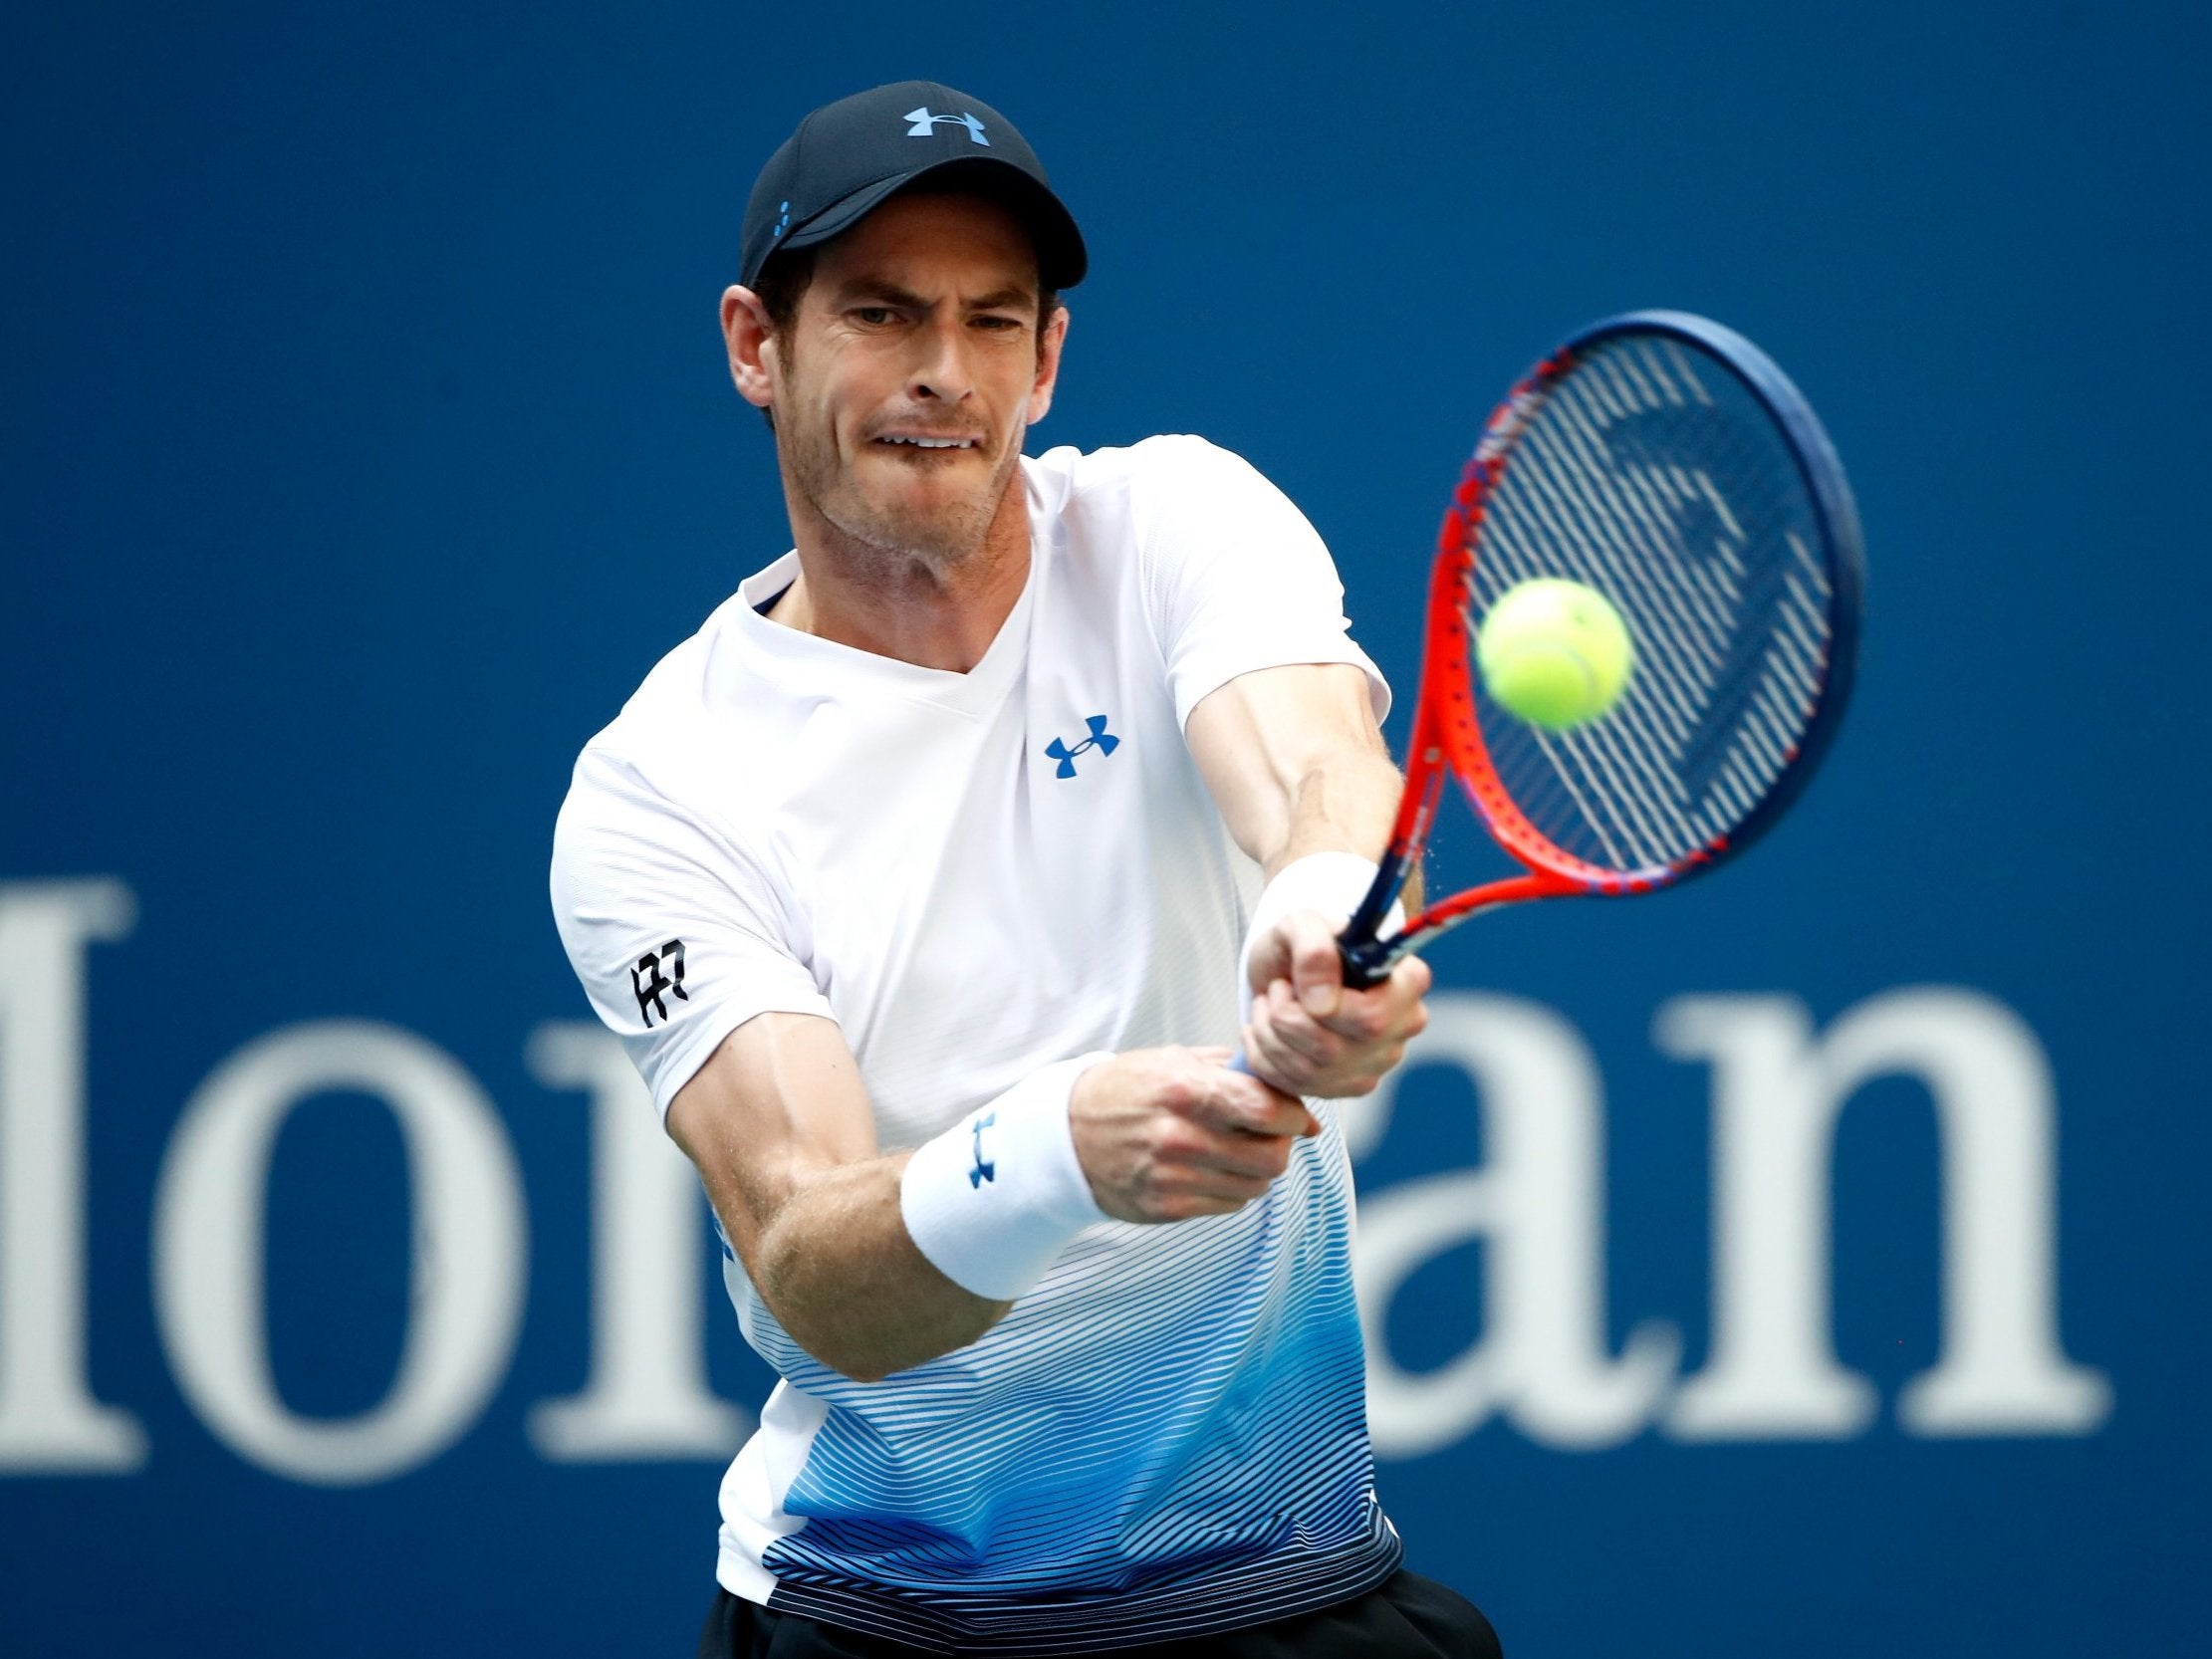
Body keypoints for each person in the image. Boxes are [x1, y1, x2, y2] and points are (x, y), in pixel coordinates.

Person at [550, 81, 1502, 1659]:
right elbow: (806, 1269)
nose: (943, 371)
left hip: (1288, 1589)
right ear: (753, 344)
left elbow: (1311, 764)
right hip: (886, 1621)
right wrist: (1051, 1151)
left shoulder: (1177, 517)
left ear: (1047, 358)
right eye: (878, 312)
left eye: (996, 321)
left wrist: (1315, 903)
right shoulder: (662, 789)